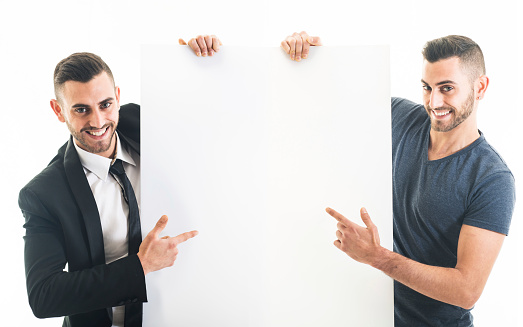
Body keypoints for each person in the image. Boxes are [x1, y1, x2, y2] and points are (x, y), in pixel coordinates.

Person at [282, 33, 515, 326]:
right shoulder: (400, 117)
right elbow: (332, 98)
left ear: (480, 87)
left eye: (447, 88)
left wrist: (376, 256)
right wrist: (311, 56)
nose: (434, 101)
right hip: (371, 316)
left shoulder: (492, 179)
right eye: (427, 88)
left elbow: (466, 290)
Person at [18, 35, 220, 327]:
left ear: (118, 96)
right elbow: (44, 296)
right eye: (81, 109)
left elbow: (217, 118)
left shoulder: (146, 124)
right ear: (58, 110)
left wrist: (298, 60)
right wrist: (140, 267)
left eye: (105, 104)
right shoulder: (44, 194)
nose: (98, 121)